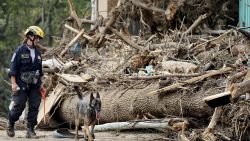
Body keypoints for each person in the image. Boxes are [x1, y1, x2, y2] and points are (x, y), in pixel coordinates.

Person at [6, 26, 45, 138]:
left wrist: (41, 85)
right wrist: (14, 84)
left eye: (39, 38)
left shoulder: (38, 54)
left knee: (34, 106)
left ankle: (30, 130)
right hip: (21, 83)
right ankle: (11, 122)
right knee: (19, 105)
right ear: (30, 36)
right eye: (37, 37)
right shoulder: (19, 51)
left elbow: (40, 71)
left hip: (34, 85)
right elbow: (13, 69)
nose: (38, 40)